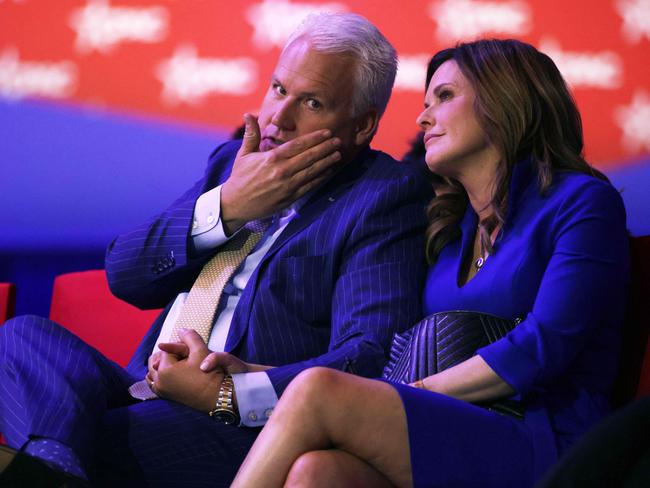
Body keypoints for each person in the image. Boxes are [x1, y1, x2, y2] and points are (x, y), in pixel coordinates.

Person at [0, 13, 431, 486]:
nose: (277, 119)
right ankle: (54, 468)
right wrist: (229, 206)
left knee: (82, 432)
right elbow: (126, 275)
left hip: (243, 421)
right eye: (278, 89)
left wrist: (232, 392)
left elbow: (366, 356)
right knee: (24, 336)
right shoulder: (232, 164)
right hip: (146, 384)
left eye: (311, 103)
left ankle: (49, 466)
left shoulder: (383, 195)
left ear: (362, 126)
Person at [229, 39, 630, 488]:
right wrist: (252, 373)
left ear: (504, 99)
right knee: (317, 472)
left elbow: (545, 344)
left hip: (542, 438)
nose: (422, 119)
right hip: (446, 428)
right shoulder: (449, 233)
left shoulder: (583, 203)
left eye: (443, 97)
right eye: (425, 103)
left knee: (319, 392)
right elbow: (392, 361)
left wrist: (408, 395)